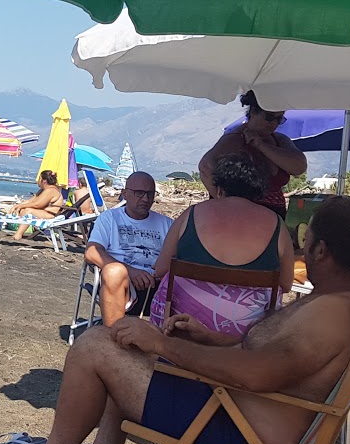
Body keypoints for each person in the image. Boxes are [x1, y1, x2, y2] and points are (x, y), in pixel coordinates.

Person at [0, 196, 350, 444]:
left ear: (322, 250)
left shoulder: (333, 314)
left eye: (305, 241)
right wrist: (211, 338)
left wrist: (161, 344)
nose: (300, 248)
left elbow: (257, 374)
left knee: (97, 344)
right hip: (234, 414)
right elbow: (275, 360)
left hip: (240, 437)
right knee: (128, 341)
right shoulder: (344, 303)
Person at [149, 155, 294, 337]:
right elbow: (286, 284)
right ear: (257, 193)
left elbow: (161, 269)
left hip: (182, 328)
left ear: (219, 189)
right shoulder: (277, 225)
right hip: (244, 337)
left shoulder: (191, 215)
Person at [84, 172, 173, 327]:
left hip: (158, 284)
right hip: (120, 281)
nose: (145, 199)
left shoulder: (167, 224)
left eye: (150, 194)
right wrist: (130, 271)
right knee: (114, 272)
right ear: (125, 194)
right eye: (139, 193)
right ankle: (114, 336)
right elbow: (92, 252)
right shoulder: (110, 218)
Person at [199, 90, 306, 217]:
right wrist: (224, 204)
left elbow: (299, 167)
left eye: (279, 119)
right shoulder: (234, 139)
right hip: (241, 216)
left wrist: (262, 146)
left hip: (274, 215)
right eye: (269, 117)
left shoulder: (280, 140)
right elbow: (206, 167)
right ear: (254, 112)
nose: (274, 124)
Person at [10, 170, 65, 241]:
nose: (38, 181)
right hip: (44, 212)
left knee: (28, 211)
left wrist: (20, 206)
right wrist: (16, 206)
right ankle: (19, 232)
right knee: (25, 209)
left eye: (39, 178)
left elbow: (37, 205)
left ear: (44, 181)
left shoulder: (51, 190)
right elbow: (30, 201)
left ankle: (18, 234)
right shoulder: (44, 190)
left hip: (51, 215)